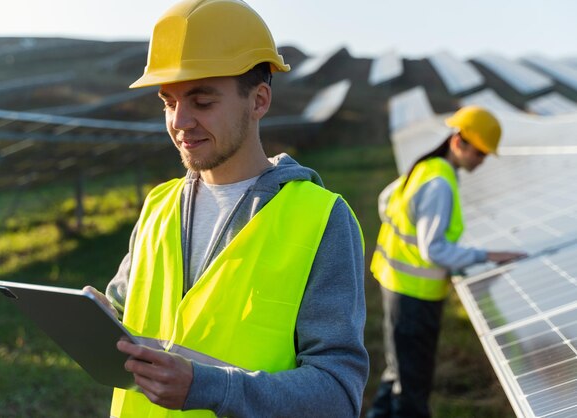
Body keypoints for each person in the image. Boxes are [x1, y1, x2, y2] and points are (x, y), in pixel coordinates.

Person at [86, 0, 369, 417]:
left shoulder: (322, 219)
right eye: (168, 101)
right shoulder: (159, 205)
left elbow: (338, 394)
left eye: (202, 102)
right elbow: (130, 314)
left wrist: (209, 388)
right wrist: (100, 318)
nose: (180, 121)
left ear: (258, 101)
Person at [365, 106, 526, 418]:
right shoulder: (440, 183)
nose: (481, 161)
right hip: (415, 297)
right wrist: (486, 256)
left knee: (398, 369)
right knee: (413, 388)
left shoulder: (427, 167)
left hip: (396, 285)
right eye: (479, 153)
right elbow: (434, 250)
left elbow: (386, 202)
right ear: (458, 141)